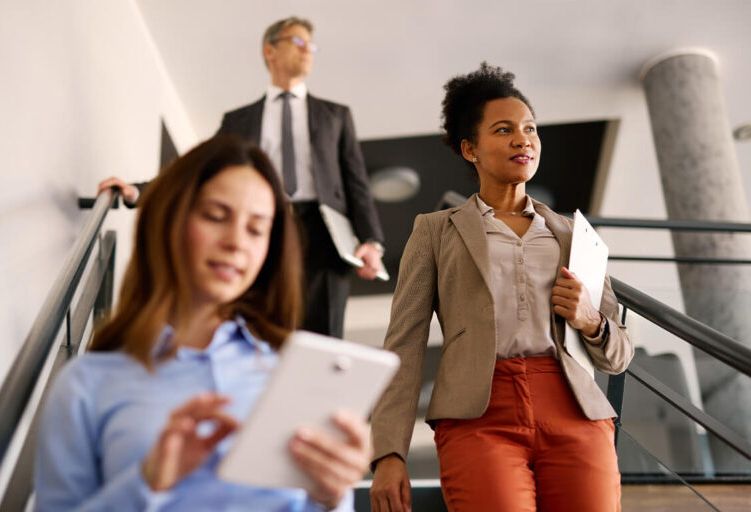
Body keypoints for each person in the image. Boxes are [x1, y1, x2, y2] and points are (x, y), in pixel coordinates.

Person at [36, 135, 371, 511]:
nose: (236, 242)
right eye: (215, 216)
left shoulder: (294, 374)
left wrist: (332, 498)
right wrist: (147, 482)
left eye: (256, 229)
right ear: (168, 219)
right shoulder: (87, 383)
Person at [368, 64, 634, 512]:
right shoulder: (435, 230)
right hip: (478, 414)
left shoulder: (575, 235)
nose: (523, 139)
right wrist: (389, 452)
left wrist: (591, 320)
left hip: (574, 410)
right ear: (470, 148)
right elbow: (404, 345)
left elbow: (619, 356)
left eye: (530, 128)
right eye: (504, 129)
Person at [98, 16, 385, 339]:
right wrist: (137, 192)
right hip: (261, 227)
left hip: (324, 236)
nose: (308, 51)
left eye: (311, 45)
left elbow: (356, 181)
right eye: (298, 42)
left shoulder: (335, 115)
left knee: (323, 335)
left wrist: (371, 241)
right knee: (255, 326)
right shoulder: (240, 120)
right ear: (270, 51)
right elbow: (200, 169)